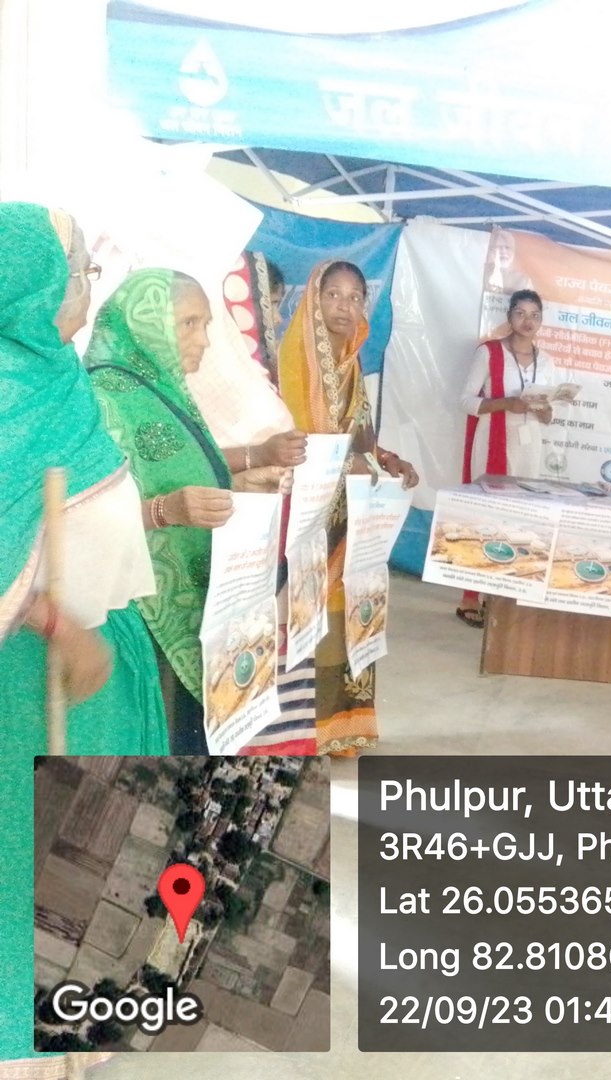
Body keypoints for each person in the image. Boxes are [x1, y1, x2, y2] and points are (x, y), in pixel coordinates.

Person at [0, 204, 168, 1076]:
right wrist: (56, 622)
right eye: (77, 273)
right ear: (33, 286)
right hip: (28, 690)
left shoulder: (57, 374)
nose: (87, 288)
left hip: (99, 675)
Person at [84, 269, 289, 754]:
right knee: (171, 733)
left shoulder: (158, 387)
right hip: (145, 606)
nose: (203, 340)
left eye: (206, 325)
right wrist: (166, 510)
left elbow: (181, 467)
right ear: (145, 323)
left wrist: (242, 475)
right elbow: (82, 514)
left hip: (196, 592)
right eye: (189, 324)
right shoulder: (102, 397)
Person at [278, 260, 419, 756]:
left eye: (355, 296)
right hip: (307, 515)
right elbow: (296, 439)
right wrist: (348, 465)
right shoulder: (294, 356)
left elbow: (359, 435)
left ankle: (343, 727)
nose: (344, 306)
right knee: (309, 616)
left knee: (345, 611)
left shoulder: (351, 362)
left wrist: (387, 458)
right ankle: (306, 731)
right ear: (313, 299)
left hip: (349, 513)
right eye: (333, 294)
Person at [456, 289, 556, 627]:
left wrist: (546, 411)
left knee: (520, 519)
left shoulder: (547, 361)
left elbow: (549, 413)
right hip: (493, 442)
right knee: (484, 516)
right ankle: (470, 597)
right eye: (521, 313)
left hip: (530, 447)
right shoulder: (489, 352)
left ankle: (503, 596)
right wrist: (505, 404)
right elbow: (465, 401)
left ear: (541, 321)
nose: (528, 321)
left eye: (534, 315)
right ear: (509, 317)